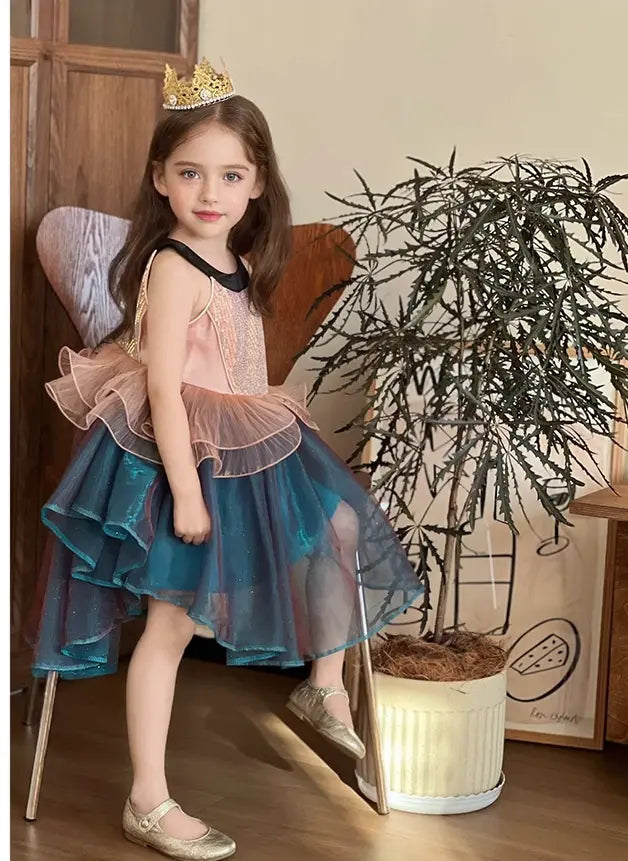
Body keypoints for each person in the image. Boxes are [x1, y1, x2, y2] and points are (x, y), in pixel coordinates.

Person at [28, 59, 423, 860]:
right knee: (170, 623)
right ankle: (148, 796)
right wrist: (185, 496)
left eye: (230, 174)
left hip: (247, 436)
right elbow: (168, 392)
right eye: (190, 172)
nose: (211, 191)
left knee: (341, 522)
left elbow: (237, 366)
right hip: (184, 456)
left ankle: (320, 691)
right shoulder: (173, 267)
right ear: (161, 180)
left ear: (256, 183)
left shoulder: (237, 259)